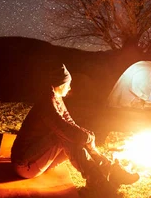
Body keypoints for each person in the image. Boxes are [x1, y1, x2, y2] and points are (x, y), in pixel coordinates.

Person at [11, 64, 139, 188]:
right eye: (68, 84)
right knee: (66, 138)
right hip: (25, 164)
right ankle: (97, 179)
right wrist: (87, 138)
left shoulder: (56, 99)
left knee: (75, 138)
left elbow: (69, 121)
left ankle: (109, 171)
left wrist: (87, 134)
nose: (70, 88)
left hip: (36, 158)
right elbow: (64, 129)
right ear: (61, 84)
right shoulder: (47, 104)